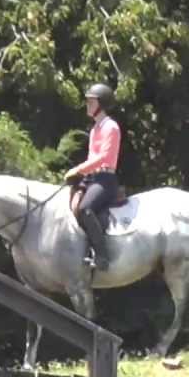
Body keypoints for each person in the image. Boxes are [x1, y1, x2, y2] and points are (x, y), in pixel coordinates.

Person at [62, 83, 122, 271]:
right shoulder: (95, 129)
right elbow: (91, 158)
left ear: (101, 104)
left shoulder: (110, 127)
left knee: (86, 209)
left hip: (105, 179)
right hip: (92, 178)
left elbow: (103, 157)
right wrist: (80, 178)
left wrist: (78, 170)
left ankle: (103, 256)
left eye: (91, 101)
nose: (87, 104)